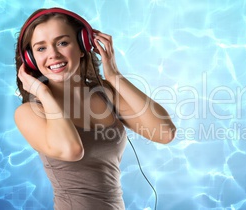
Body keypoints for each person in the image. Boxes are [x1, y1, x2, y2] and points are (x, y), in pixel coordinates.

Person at [14, 7, 176, 210]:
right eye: (41, 48)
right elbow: (71, 150)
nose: (53, 54)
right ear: (30, 59)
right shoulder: (30, 112)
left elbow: (164, 133)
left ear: (83, 45)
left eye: (62, 43)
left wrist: (115, 77)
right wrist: (44, 94)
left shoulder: (105, 94)